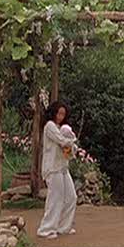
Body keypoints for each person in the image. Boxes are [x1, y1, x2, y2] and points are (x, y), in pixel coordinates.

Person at [36, 101, 78, 239]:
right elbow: (61, 141)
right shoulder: (50, 126)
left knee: (71, 197)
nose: (60, 116)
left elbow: (68, 149)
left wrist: (72, 145)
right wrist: (72, 141)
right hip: (53, 168)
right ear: (53, 113)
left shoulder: (62, 127)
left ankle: (63, 226)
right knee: (55, 198)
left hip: (63, 167)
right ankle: (46, 229)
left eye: (63, 114)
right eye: (59, 113)